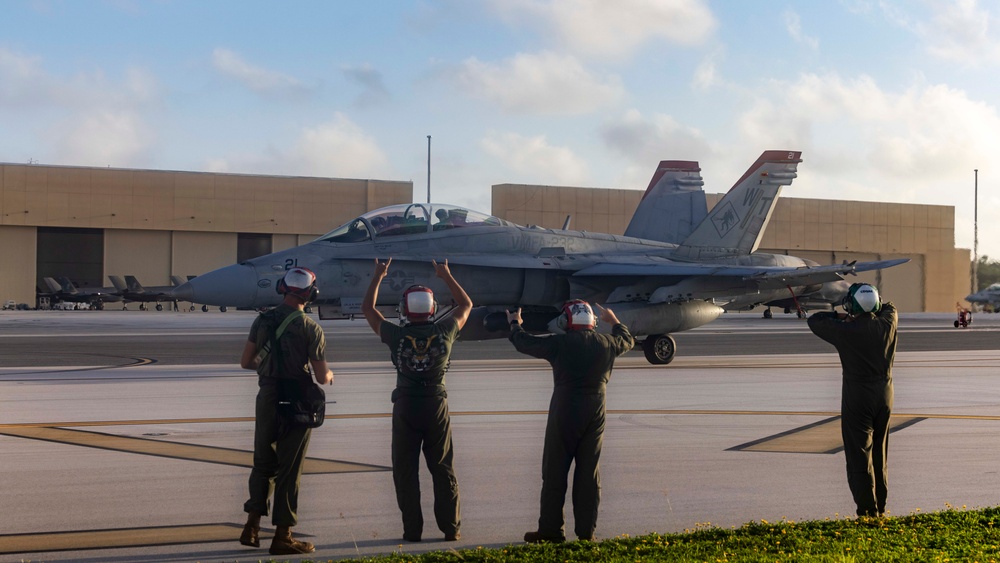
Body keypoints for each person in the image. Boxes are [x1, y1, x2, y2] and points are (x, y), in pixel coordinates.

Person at [362, 258, 472, 543]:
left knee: (405, 471)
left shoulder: (396, 335)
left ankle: (413, 531)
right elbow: (466, 305)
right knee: (442, 468)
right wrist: (446, 275)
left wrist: (378, 275)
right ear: (432, 309)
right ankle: (451, 529)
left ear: (405, 310)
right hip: (436, 405)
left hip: (406, 407)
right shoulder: (445, 331)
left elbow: (368, 309)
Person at [505, 300, 634, 543]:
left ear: (566, 322)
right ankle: (586, 533)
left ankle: (551, 530)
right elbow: (627, 340)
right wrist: (614, 321)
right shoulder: (607, 344)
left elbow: (524, 343)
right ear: (593, 322)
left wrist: (515, 324)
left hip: (565, 411)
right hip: (596, 411)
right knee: (588, 475)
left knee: (554, 471)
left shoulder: (559, 344)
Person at [238, 267, 333, 555]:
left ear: (282, 287)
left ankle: (252, 526)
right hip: (296, 401)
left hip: (267, 396)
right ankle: (283, 535)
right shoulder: (311, 328)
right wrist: (330, 376)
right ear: (311, 293)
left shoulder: (263, 319)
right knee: (289, 469)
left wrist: (269, 371)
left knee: (263, 462)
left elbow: (246, 362)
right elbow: (320, 376)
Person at [807, 283, 897, 518]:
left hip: (858, 395)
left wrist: (842, 316)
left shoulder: (845, 330)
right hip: (885, 393)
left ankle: (866, 509)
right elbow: (890, 307)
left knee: (859, 455)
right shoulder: (888, 322)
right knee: (880, 452)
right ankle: (881, 505)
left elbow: (815, 320)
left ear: (851, 306)